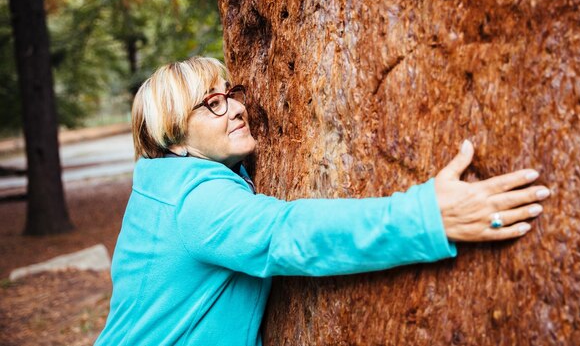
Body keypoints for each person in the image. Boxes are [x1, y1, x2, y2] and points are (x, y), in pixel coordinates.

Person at [94, 56, 550, 346]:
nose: (234, 107)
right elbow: (289, 233)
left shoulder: (166, 185)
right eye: (210, 103)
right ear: (173, 139)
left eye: (230, 94)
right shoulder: (193, 202)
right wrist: (428, 215)